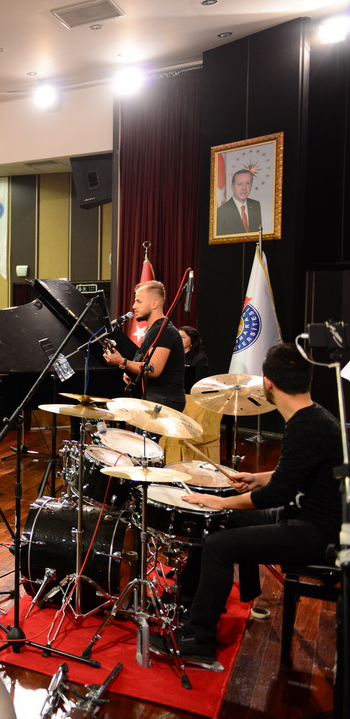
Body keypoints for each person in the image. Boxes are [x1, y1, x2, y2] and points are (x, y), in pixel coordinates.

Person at [153, 343, 343, 662]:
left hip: (315, 531)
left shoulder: (304, 426)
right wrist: (259, 477)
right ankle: (189, 606)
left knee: (218, 543)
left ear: (267, 383)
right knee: (212, 523)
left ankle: (200, 642)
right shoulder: (314, 416)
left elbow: (273, 497)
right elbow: (295, 473)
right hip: (305, 514)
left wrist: (221, 503)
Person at [103, 280, 186, 412]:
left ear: (154, 304)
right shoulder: (154, 330)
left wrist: (123, 362)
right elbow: (146, 365)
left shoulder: (164, 331)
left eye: (139, 301)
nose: (134, 306)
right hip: (156, 399)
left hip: (163, 401)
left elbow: (153, 369)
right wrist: (131, 372)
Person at [216, 169, 262, 236]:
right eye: (240, 184)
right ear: (232, 187)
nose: (244, 188)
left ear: (251, 185)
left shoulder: (256, 205)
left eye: (248, 183)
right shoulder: (222, 212)